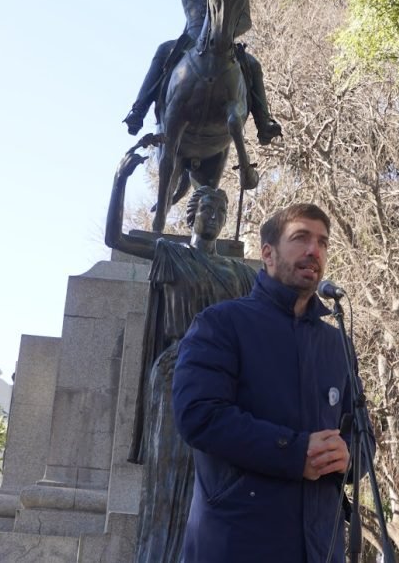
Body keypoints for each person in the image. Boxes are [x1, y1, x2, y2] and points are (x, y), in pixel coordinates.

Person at [105, 137, 257, 563]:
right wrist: (120, 182)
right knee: (169, 474)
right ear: (192, 215)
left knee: (212, 476)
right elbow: (114, 237)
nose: (215, 217)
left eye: (221, 212)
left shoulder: (239, 274)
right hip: (176, 369)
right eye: (207, 209)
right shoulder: (170, 253)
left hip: (222, 382)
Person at [173, 203, 353, 563]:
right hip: (238, 543)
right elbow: (198, 416)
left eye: (322, 242)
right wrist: (295, 452)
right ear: (267, 254)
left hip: (321, 548)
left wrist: (348, 457)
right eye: (300, 238)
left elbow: (361, 437)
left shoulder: (337, 344)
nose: (314, 250)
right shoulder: (221, 323)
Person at [106, 0, 282, 145]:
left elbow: (245, 20)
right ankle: (139, 110)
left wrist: (225, 33)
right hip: (190, 40)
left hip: (224, 42)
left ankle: (263, 123)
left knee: (252, 64)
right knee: (163, 50)